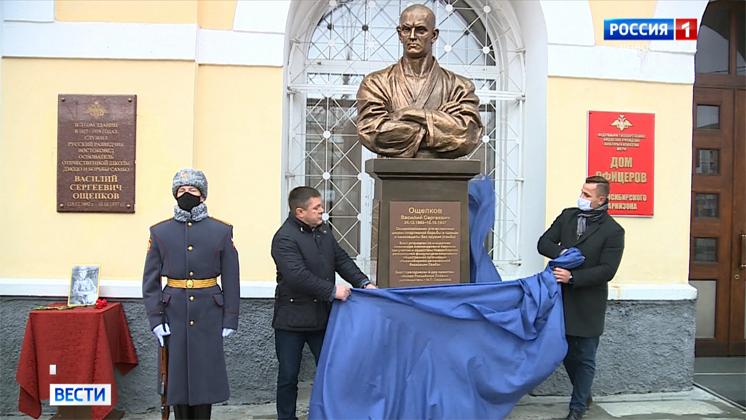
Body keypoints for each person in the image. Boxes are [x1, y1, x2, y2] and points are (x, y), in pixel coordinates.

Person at [142, 168, 240, 420]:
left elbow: (231, 277)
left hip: (209, 312)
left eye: (193, 190)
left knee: (204, 378)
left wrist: (230, 317)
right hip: (173, 312)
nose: (187, 194)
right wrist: (155, 319)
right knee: (176, 379)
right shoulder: (159, 232)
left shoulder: (221, 230)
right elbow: (150, 281)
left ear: (203, 196)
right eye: (182, 191)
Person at [271, 186, 376, 420]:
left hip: (322, 318)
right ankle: (286, 417)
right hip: (292, 321)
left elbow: (341, 259)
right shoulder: (284, 238)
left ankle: (331, 414)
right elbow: (297, 276)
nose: (322, 211)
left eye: (321, 206)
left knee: (333, 372)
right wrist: (331, 291)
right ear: (300, 212)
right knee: (288, 376)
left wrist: (363, 282)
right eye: (316, 208)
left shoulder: (323, 231)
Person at [537, 176, 625, 420]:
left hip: (588, 302)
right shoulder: (568, 215)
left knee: (585, 355)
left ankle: (577, 409)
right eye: (582, 192)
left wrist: (573, 277)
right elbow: (544, 242)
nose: (582, 198)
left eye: (587, 195)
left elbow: (608, 270)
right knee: (564, 351)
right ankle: (583, 393)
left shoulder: (613, 231)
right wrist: (562, 253)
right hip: (560, 299)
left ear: (601, 199)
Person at [356, 4, 483, 159]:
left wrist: (410, 114)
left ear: (434, 35)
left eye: (421, 30)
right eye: (406, 29)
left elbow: (468, 135)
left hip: (442, 177)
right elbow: (371, 132)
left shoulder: (459, 87)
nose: (412, 36)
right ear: (399, 34)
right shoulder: (376, 83)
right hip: (393, 175)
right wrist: (443, 125)